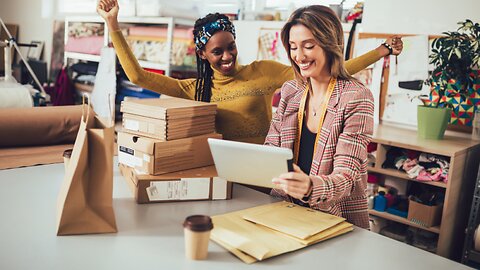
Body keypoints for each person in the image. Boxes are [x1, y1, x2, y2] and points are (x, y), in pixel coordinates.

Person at [97, 0, 402, 144]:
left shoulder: (263, 72)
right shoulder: (193, 88)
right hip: (220, 171)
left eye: (231, 46)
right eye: (217, 51)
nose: (227, 56)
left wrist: (380, 52)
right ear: (202, 54)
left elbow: (328, 71)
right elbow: (137, 77)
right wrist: (113, 24)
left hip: (266, 171)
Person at [265, 5, 374, 229]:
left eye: (308, 46)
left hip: (333, 218)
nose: (299, 56)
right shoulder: (290, 91)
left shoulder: (356, 97)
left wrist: (310, 187)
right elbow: (270, 150)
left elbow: (347, 176)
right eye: (293, 47)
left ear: (329, 44)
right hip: (284, 211)